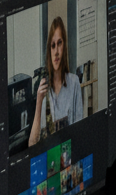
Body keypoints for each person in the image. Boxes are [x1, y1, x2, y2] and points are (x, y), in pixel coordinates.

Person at [29, 16, 84, 147]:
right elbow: (32, 144)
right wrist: (39, 102)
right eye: (53, 46)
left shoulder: (74, 82)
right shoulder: (43, 87)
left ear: (64, 45)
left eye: (59, 43)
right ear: (49, 50)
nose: (57, 52)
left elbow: (79, 133)